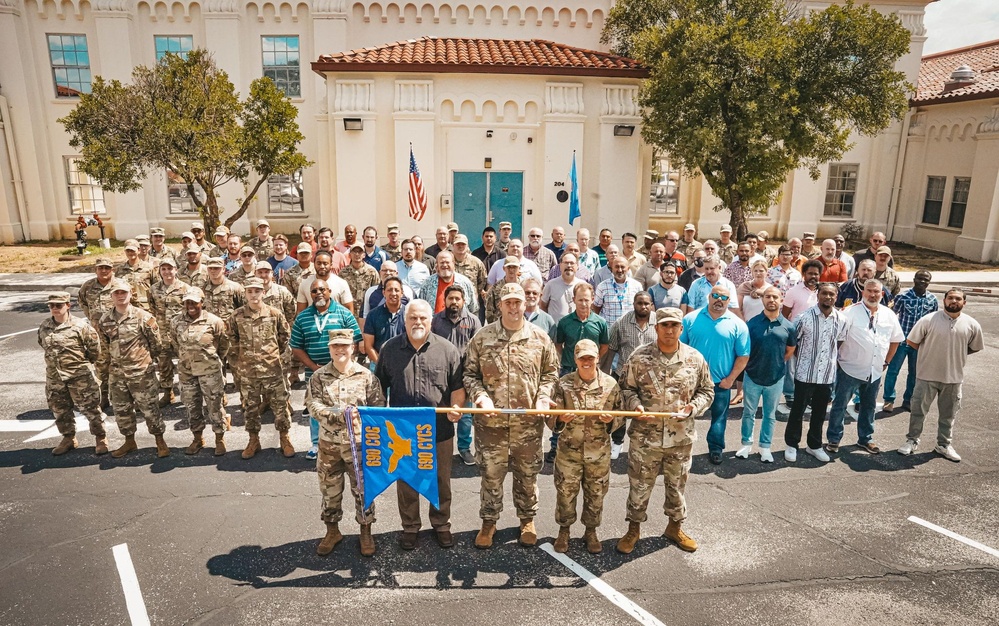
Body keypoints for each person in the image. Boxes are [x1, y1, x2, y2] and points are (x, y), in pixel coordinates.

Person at [463, 283, 559, 549]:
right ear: (500, 305)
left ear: (525, 304)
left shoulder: (540, 338)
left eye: (518, 302)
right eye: (509, 302)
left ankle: (527, 520)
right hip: (490, 426)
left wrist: (543, 396)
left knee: (527, 476)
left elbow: (551, 373)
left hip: (527, 426)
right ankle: (489, 522)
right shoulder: (482, 338)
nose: (514, 307)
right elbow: (470, 374)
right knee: (491, 475)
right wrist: (480, 396)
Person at [617, 307, 714, 554]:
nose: (669, 330)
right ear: (656, 327)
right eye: (664, 325)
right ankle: (633, 530)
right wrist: (635, 404)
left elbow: (707, 390)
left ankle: (674, 527)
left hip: (680, 438)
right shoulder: (639, 358)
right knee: (639, 486)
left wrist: (694, 407)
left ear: (681, 329)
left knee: (676, 487)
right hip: (645, 438)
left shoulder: (694, 358)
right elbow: (625, 389)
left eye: (674, 326)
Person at [375, 299, 464, 550]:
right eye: (413, 318)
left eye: (423, 318)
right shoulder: (390, 349)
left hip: (440, 430)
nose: (418, 322)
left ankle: (441, 524)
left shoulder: (447, 350)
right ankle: (410, 526)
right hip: (402, 433)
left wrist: (456, 408)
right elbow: (379, 387)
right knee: (407, 481)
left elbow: (457, 387)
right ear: (405, 321)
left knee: (440, 480)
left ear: (431, 320)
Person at [306, 328, 385, 557]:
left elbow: (377, 407)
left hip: (358, 445)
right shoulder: (319, 376)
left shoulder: (366, 376)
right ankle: (332, 531)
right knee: (329, 490)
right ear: (329, 349)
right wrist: (336, 415)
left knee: (362, 489)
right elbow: (313, 405)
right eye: (335, 346)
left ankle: (365, 530)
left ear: (353, 348)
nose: (340, 350)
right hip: (329, 445)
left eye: (344, 346)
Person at [548, 339, 621, 554]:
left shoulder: (610, 385)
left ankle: (591, 531)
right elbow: (550, 418)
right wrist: (560, 418)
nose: (587, 362)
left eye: (591, 357)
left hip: (598, 454)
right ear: (575, 360)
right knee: (565, 493)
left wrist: (612, 422)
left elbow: (621, 414)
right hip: (569, 453)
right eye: (582, 358)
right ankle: (564, 531)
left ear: (598, 358)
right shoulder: (563, 384)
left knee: (596, 494)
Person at [897, 289, 983, 461]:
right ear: (944, 300)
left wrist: (954, 354)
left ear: (964, 303)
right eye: (950, 298)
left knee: (948, 415)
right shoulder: (928, 320)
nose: (954, 301)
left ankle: (943, 445)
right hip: (926, 376)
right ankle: (912, 441)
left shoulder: (972, 324)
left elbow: (974, 347)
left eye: (958, 299)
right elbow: (912, 342)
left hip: (953, 378)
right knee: (918, 412)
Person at [825, 279, 904, 456]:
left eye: (876, 292)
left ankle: (865, 439)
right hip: (849, 369)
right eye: (869, 291)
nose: (872, 294)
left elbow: (896, 339)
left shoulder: (889, 315)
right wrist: (836, 361)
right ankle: (834, 439)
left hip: (874, 371)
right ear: (863, 292)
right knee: (840, 405)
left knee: (868, 407)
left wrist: (887, 361)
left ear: (882, 294)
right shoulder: (850, 312)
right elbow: (837, 338)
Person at [292, 278, 362, 460]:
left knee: (343, 405)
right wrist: (313, 367)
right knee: (316, 408)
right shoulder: (303, 317)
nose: (319, 293)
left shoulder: (344, 314)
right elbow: (296, 347)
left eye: (322, 289)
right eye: (314, 291)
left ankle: (347, 442)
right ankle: (316, 444)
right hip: (314, 372)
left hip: (342, 372)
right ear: (310, 295)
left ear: (330, 291)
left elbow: (355, 340)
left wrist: (345, 365)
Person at [98, 280, 169, 458]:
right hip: (117, 374)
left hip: (141, 373)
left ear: (130, 294)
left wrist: (143, 361)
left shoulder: (143, 317)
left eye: (123, 293)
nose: (120, 296)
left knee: (150, 408)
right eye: (116, 293)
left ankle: (160, 441)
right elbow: (105, 346)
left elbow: (156, 345)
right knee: (122, 410)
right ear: (111, 296)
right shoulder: (105, 320)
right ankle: (129, 442)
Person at [681, 285, 750, 465]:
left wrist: (731, 380)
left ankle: (716, 449)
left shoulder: (738, 324)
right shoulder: (690, 319)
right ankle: (680, 449)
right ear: (708, 297)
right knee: (684, 416)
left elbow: (743, 356)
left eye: (724, 297)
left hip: (721, 383)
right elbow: (679, 350)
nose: (719, 300)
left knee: (719, 418)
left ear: (729, 301)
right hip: (691, 382)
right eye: (716, 295)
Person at [230, 277, 295, 459]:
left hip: (272, 369)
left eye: (257, 291)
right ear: (245, 294)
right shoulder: (236, 316)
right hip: (248, 371)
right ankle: (253, 440)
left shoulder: (274, 314)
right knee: (250, 408)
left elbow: (284, 337)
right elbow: (232, 341)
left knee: (280, 406)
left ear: (263, 293)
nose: (253, 295)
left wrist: (272, 356)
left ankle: (285, 438)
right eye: (249, 291)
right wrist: (241, 361)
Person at [38, 291, 107, 456]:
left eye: (59, 305)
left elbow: (94, 350)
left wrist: (81, 364)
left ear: (68, 305)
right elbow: (42, 344)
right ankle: (68, 438)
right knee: (60, 409)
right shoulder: (45, 326)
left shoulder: (80, 326)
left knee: (91, 409)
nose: (55, 308)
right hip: (55, 377)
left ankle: (100, 437)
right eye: (52, 305)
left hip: (80, 376)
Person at [783, 283, 842, 462]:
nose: (828, 297)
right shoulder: (803, 318)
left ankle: (814, 445)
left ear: (836, 296)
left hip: (826, 376)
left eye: (831, 294)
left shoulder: (842, 319)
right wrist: (806, 359)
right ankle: (792, 444)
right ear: (818, 295)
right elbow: (794, 343)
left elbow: (839, 343)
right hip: (805, 374)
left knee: (819, 412)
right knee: (798, 411)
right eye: (824, 293)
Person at [736, 287, 795, 463]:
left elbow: (789, 350)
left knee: (770, 415)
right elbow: (745, 350)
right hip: (752, 376)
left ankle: (765, 447)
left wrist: (775, 362)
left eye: (775, 297)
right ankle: (746, 444)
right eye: (768, 296)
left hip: (775, 378)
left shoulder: (788, 326)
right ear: (762, 299)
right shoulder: (752, 324)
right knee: (749, 413)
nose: (771, 300)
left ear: (781, 300)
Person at [171, 289, 228, 456]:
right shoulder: (176, 321)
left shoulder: (214, 321)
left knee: (215, 406)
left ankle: (219, 438)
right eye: (187, 302)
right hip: (187, 372)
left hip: (209, 371)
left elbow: (223, 345)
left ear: (202, 302)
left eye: (194, 302)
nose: (190, 306)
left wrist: (212, 359)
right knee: (192, 406)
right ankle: (198, 439)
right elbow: (175, 344)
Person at [431, 285, 482, 466]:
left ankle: (464, 448)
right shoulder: (435, 321)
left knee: (465, 415)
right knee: (440, 412)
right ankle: (437, 447)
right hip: (440, 376)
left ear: (463, 301)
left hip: (464, 375)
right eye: (450, 298)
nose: (454, 302)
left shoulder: (473, 321)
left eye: (457, 299)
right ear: (444, 301)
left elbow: (478, 349)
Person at [605, 291, 656, 459]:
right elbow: (611, 348)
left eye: (646, 303)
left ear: (651, 305)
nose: (643, 306)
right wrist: (606, 375)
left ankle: (647, 443)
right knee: (620, 411)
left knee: (647, 410)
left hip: (651, 377)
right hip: (624, 375)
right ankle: (617, 442)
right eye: (640, 303)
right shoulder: (621, 323)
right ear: (634, 304)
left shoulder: (659, 323)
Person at [883, 270, 938, 412]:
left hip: (919, 343)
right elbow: (891, 315)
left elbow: (933, 322)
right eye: (920, 279)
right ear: (914, 279)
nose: (922, 282)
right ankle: (889, 399)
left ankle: (908, 400)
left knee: (914, 373)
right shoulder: (903, 296)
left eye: (926, 280)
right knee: (893, 371)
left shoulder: (932, 300)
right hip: (901, 341)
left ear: (929, 282)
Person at [148, 257, 192, 407]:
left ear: (176, 270)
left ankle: (188, 394)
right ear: (159, 271)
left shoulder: (185, 288)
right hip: (162, 332)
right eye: (163, 269)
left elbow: (190, 309)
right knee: (163, 364)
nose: (167, 272)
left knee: (185, 363)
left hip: (180, 331)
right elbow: (152, 307)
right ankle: (168, 393)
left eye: (170, 268)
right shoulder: (153, 289)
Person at [78, 256, 116, 404]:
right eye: (101, 268)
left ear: (112, 270)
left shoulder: (120, 285)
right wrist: (92, 318)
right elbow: (82, 302)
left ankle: (123, 397)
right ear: (96, 270)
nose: (104, 270)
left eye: (107, 268)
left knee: (120, 365)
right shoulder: (87, 286)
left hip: (117, 334)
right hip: (98, 334)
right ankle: (104, 397)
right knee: (101, 366)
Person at [363, 276, 408, 363]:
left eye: (397, 290)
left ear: (402, 293)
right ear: (384, 293)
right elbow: (368, 346)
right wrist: (381, 365)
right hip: (378, 364)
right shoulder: (373, 315)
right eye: (389, 290)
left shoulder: (409, 314)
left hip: (404, 364)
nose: (393, 293)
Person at [418, 251, 479, 315]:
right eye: (442, 262)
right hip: (434, 324)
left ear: (453, 263)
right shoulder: (427, 284)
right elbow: (421, 308)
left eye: (447, 262)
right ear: (437, 265)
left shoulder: (465, 283)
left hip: (459, 324)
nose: (444, 265)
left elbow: (473, 309)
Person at [296, 250, 353, 314]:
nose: (322, 266)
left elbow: (349, 310)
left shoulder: (341, 283)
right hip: (312, 322)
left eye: (325, 263)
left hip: (335, 322)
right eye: (319, 263)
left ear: (331, 265)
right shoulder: (304, 284)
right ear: (314, 264)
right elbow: (300, 311)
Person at [593, 256, 644, 326]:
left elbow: (640, 307)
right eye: (616, 267)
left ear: (628, 269)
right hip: (609, 330)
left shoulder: (637, 286)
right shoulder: (602, 286)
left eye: (622, 267)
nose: (620, 270)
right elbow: (596, 308)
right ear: (611, 269)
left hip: (630, 329)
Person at [339, 243, 380, 324]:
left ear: (364, 255)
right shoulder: (343, 273)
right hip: (348, 313)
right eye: (354, 252)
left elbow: (377, 292)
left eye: (360, 252)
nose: (357, 254)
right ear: (350, 255)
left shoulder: (372, 271)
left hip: (366, 313)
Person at [451, 234, 488, 318]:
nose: (460, 246)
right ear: (453, 246)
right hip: (451, 304)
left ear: (467, 246)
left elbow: (482, 280)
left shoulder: (476, 262)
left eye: (463, 244)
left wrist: (474, 292)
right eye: (458, 244)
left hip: (471, 306)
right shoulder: (447, 261)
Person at [540, 252, 583, 323]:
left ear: (577, 266)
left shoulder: (582, 285)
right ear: (560, 266)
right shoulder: (551, 285)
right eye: (566, 263)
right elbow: (543, 306)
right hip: (556, 331)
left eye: (572, 263)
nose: (569, 266)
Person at [115, 239, 154, 312]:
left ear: (139, 250)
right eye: (128, 251)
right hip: (126, 308)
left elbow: (156, 287)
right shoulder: (119, 270)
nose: (130, 253)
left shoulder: (149, 268)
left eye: (133, 250)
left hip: (145, 308)